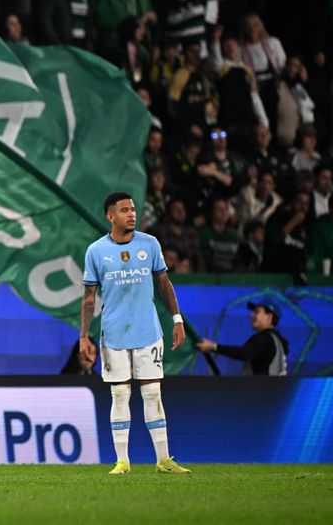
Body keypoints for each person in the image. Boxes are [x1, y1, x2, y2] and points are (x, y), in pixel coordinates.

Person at [81, 191, 190, 475]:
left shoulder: (149, 244)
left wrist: (177, 319)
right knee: (120, 394)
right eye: (124, 210)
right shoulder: (95, 251)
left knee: (153, 393)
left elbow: (164, 283)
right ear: (110, 216)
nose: (131, 214)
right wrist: (84, 336)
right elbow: (89, 298)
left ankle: (163, 460)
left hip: (148, 331)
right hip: (114, 334)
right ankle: (122, 461)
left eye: (132, 209)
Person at [196, 297, 288, 375]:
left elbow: (245, 353)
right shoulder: (277, 340)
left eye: (256, 312)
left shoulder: (264, 339)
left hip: (265, 389)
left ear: (269, 317)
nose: (251, 315)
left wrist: (214, 347)